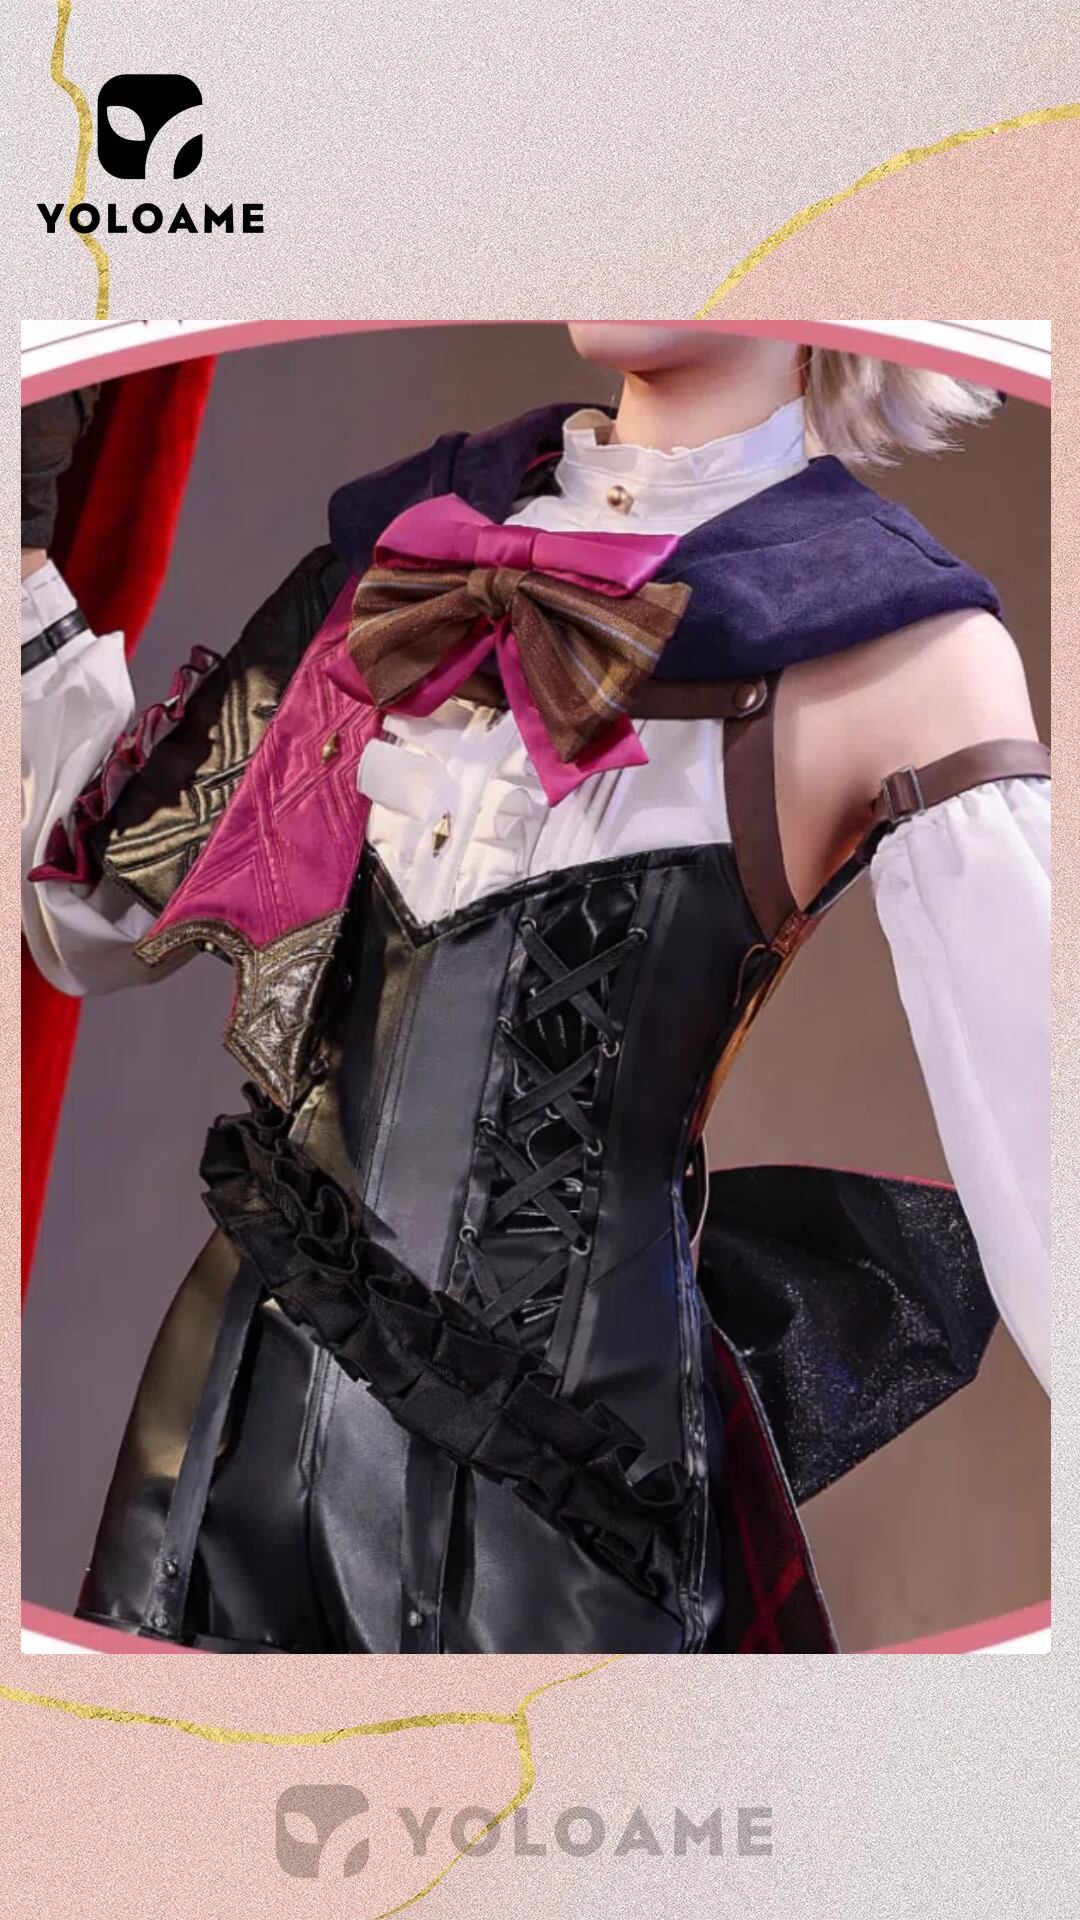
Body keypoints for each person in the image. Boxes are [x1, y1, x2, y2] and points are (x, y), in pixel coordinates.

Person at [20, 325, 1050, 1654]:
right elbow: (93, 910)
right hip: (218, 1445)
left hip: (552, 1514)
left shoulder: (906, 644)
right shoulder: (413, 548)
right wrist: (26, 543)